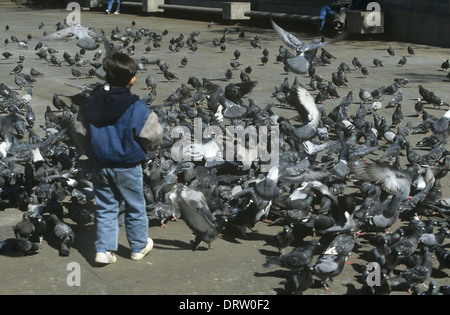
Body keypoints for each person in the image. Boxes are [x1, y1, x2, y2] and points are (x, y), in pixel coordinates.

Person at [71, 52, 163, 264]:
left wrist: (91, 150)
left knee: (106, 207)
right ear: (132, 79)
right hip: (128, 167)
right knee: (135, 206)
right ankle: (138, 247)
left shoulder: (91, 104)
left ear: (105, 77)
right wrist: (147, 148)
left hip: (101, 166)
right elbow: (153, 135)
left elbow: (78, 131)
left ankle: (103, 250)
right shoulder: (137, 107)